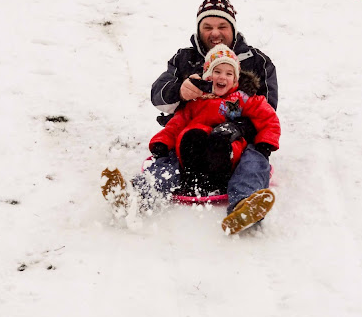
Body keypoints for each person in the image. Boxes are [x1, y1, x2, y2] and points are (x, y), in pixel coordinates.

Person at [102, 45, 280, 235]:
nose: (222, 77)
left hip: (229, 157)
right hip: (191, 159)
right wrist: (162, 143)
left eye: (229, 73)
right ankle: (135, 195)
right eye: (217, 71)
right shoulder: (196, 100)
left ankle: (244, 206)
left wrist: (265, 144)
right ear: (207, 75)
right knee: (167, 166)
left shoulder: (244, 98)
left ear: (236, 78)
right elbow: (177, 123)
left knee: (254, 161)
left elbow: (268, 119)